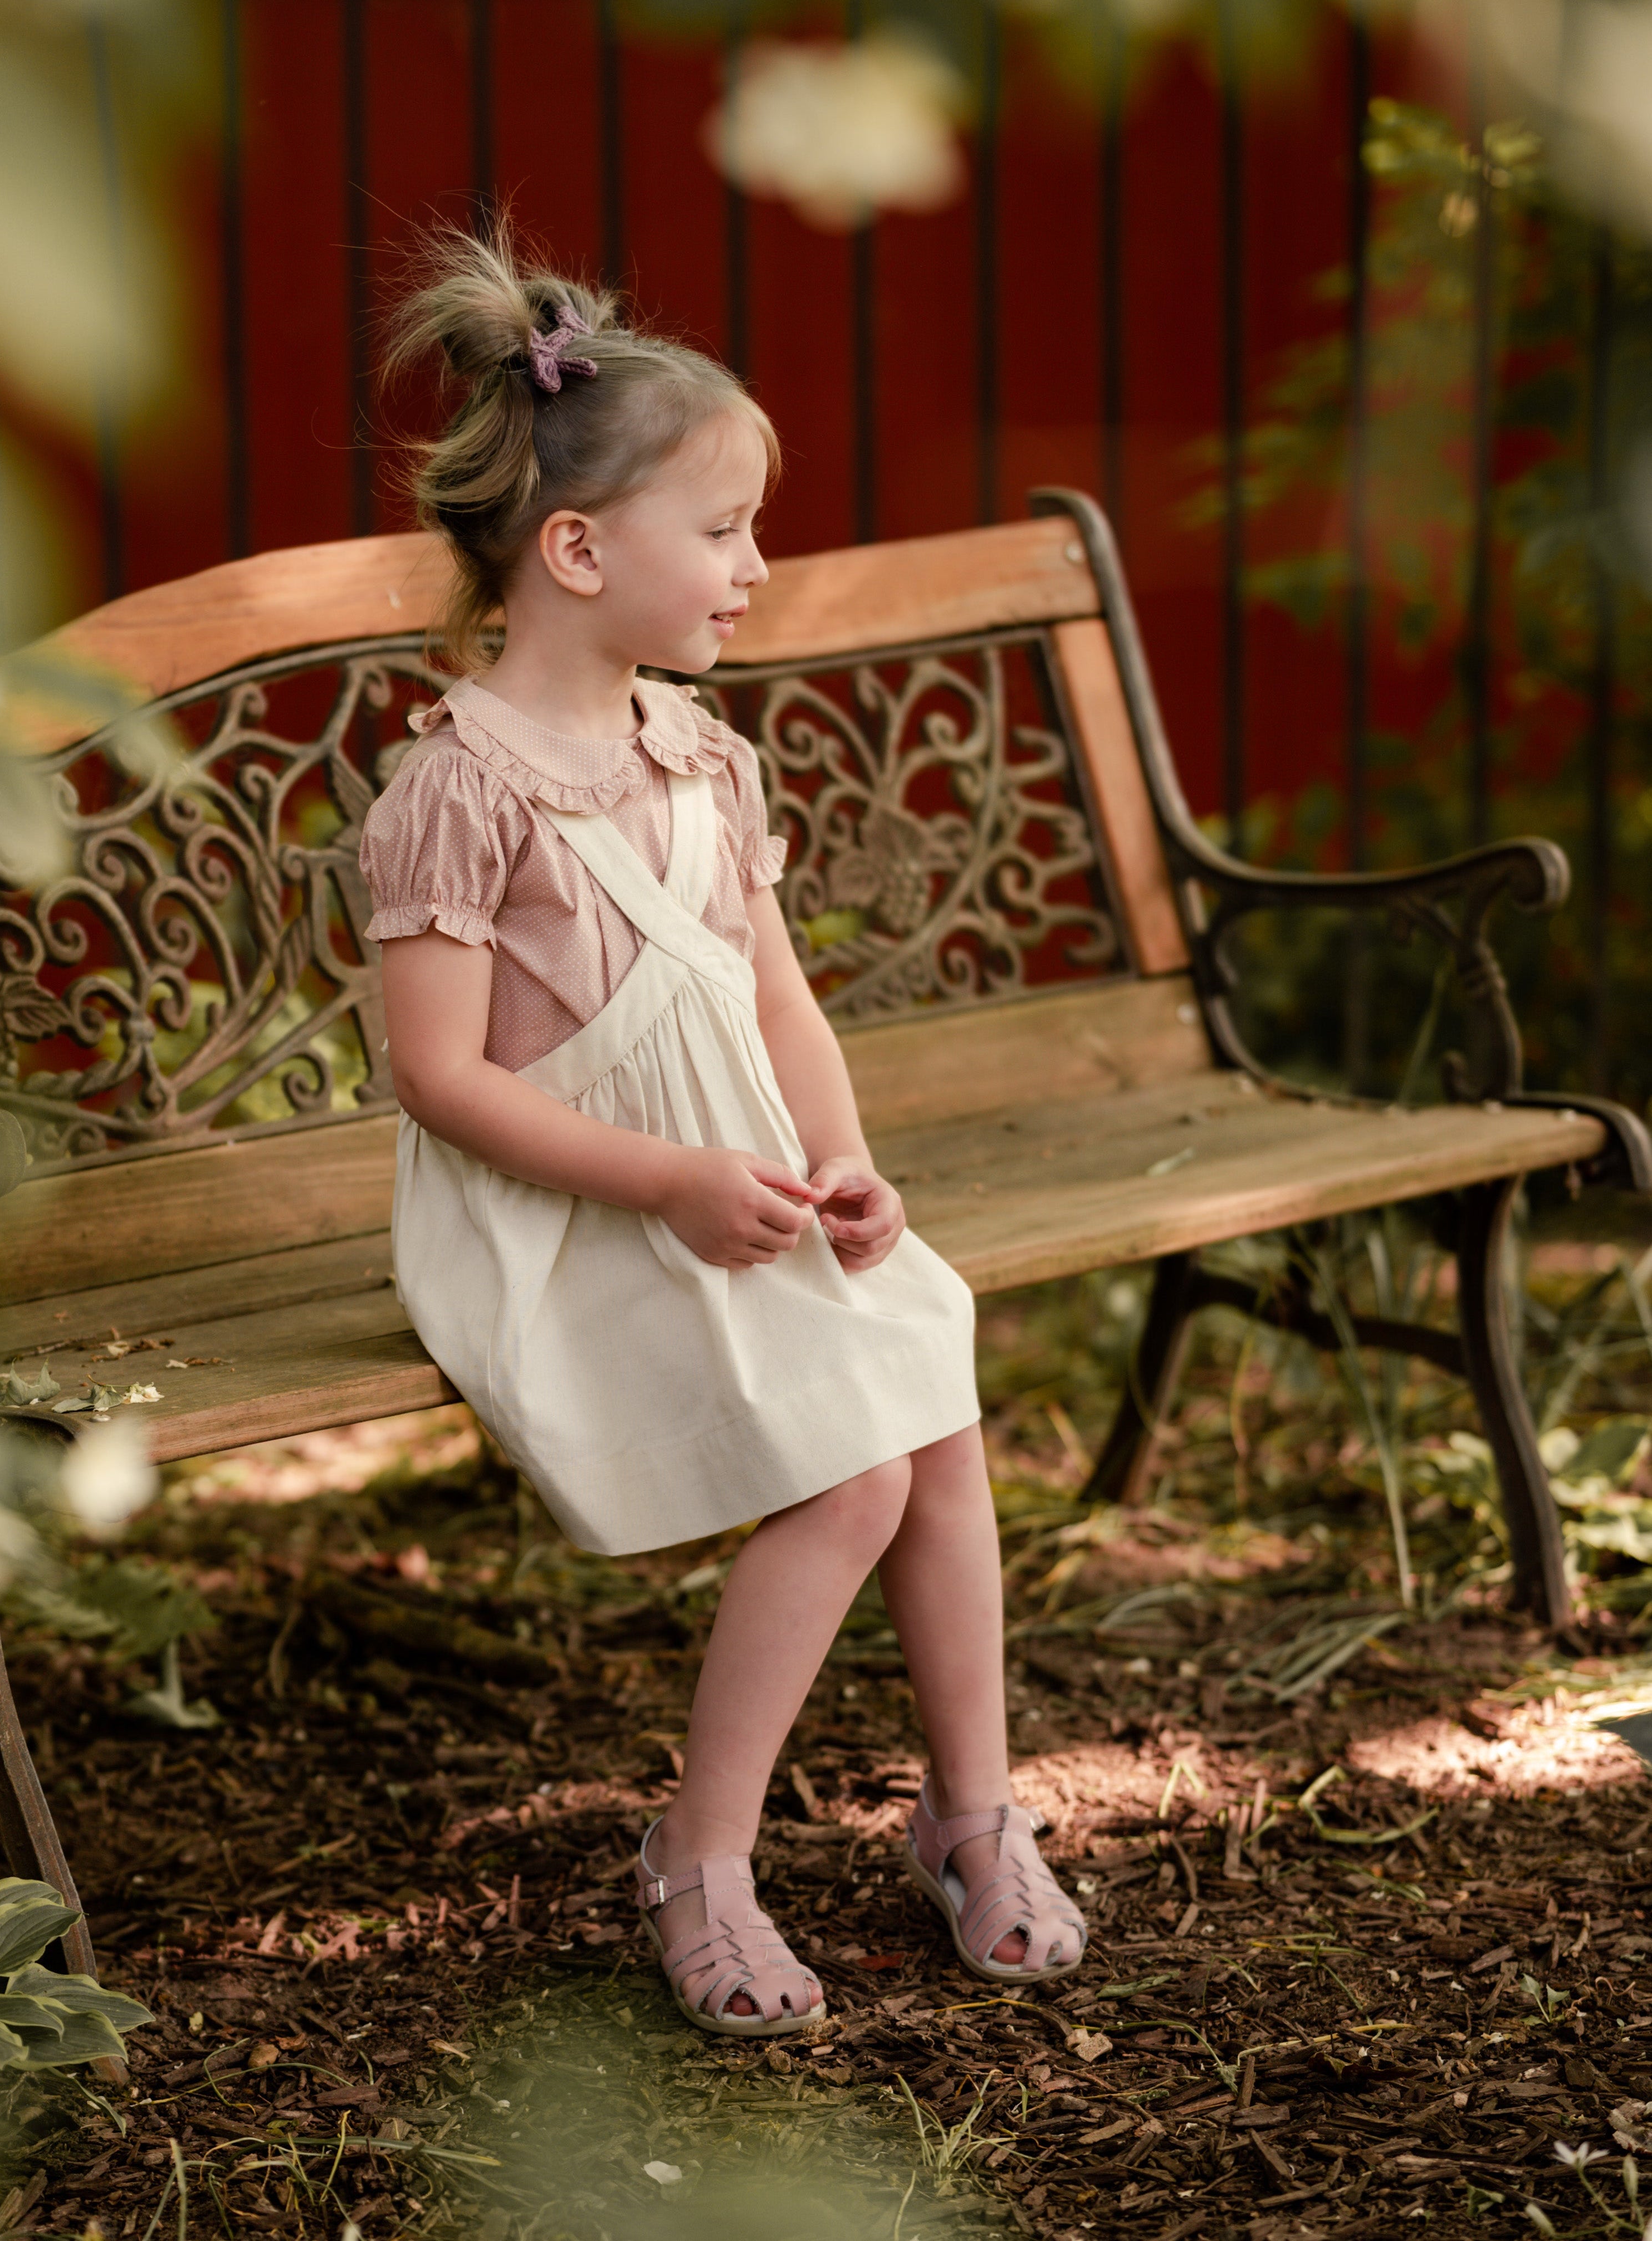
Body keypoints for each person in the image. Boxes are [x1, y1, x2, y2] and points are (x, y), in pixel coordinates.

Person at [360, 223, 1086, 2038]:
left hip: (729, 1179)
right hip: (566, 1211)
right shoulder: (458, 793)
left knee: (931, 1391)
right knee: (852, 1468)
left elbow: (773, 1004)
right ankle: (703, 1854)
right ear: (580, 549)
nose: (759, 568)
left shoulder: (701, 751)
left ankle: (969, 1814)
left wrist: (835, 1164)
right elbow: (444, 1081)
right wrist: (674, 1181)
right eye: (729, 530)